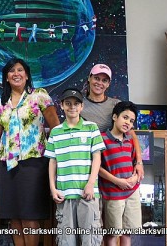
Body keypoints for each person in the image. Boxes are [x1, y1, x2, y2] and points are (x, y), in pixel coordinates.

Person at [0, 58, 59, 246]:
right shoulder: (0, 101)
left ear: (27, 75)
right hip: (7, 164)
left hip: (33, 163)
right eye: (12, 71)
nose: (16, 74)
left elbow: (55, 127)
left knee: (30, 215)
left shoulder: (39, 95)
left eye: (20, 70)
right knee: (13, 215)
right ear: (6, 77)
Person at [45, 88, 105, 246]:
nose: (72, 107)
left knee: (90, 239)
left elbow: (97, 157)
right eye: (68, 103)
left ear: (82, 107)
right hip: (64, 195)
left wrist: (91, 184)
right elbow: (52, 162)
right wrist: (53, 188)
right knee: (66, 240)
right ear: (62, 106)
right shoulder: (56, 132)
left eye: (76, 103)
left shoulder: (91, 127)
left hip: (88, 194)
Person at [81, 63, 144, 180]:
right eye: (96, 78)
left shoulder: (115, 104)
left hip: (116, 163)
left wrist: (139, 162)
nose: (99, 83)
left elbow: (132, 135)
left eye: (104, 80)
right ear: (89, 78)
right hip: (94, 165)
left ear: (108, 84)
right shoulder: (80, 107)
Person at [98, 101, 142, 246]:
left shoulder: (130, 140)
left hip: (132, 192)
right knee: (112, 233)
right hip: (112, 194)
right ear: (115, 117)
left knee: (127, 232)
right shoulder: (102, 139)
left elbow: (136, 162)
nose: (128, 122)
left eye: (131, 121)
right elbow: (97, 167)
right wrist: (117, 181)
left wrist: (135, 178)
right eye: (125, 117)